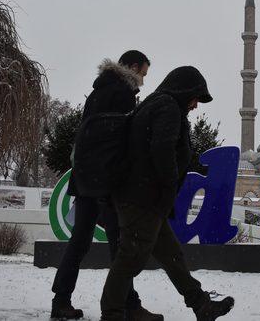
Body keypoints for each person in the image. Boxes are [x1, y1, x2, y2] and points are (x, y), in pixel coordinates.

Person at [100, 66, 234, 321]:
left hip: (144, 197)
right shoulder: (168, 108)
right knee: (130, 258)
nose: (195, 105)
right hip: (143, 198)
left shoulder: (156, 104)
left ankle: (201, 305)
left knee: (172, 255)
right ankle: (112, 314)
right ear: (184, 91)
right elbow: (162, 151)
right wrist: (169, 187)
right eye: (195, 98)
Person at [51, 50, 161, 321]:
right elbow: (121, 140)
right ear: (133, 67)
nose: (143, 81)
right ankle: (128, 305)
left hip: (86, 178)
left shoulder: (98, 91)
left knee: (79, 242)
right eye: (143, 74)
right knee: (120, 244)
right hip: (106, 182)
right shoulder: (123, 93)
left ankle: (61, 300)